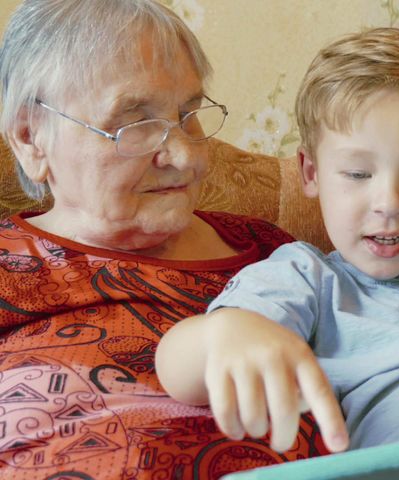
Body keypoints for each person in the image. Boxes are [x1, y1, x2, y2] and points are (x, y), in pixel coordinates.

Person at [0, 1, 327, 479]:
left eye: (189, 114)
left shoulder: (273, 254)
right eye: (135, 122)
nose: (183, 156)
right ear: (32, 137)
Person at [156, 27, 399, 455]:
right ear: (310, 173)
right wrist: (226, 334)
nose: (388, 203)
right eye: (358, 175)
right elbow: (183, 371)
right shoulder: (306, 277)